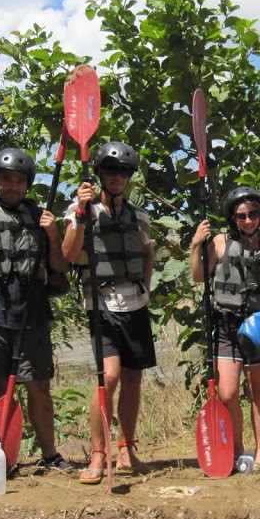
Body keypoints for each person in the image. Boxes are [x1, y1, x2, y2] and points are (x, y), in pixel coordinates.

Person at [0, 148, 74, 473]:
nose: (13, 186)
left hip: (32, 312)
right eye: (7, 179)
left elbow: (60, 267)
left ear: (28, 184)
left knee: (39, 385)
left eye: (20, 181)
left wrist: (51, 232)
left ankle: (50, 454)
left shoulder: (41, 217)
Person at [63, 142, 156, 484]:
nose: (117, 178)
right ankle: (98, 453)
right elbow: (70, 254)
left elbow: (148, 253)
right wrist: (81, 214)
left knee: (133, 377)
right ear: (100, 173)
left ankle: (127, 448)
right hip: (100, 303)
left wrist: (145, 284)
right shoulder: (79, 211)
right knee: (110, 375)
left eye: (123, 173)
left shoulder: (139, 216)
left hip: (135, 303)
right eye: (111, 171)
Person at [190, 186, 260, 474]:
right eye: (241, 216)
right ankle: (238, 450)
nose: (248, 220)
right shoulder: (219, 243)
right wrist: (196, 245)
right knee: (227, 393)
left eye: (253, 214)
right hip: (227, 327)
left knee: (258, 392)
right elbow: (197, 275)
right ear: (233, 218)